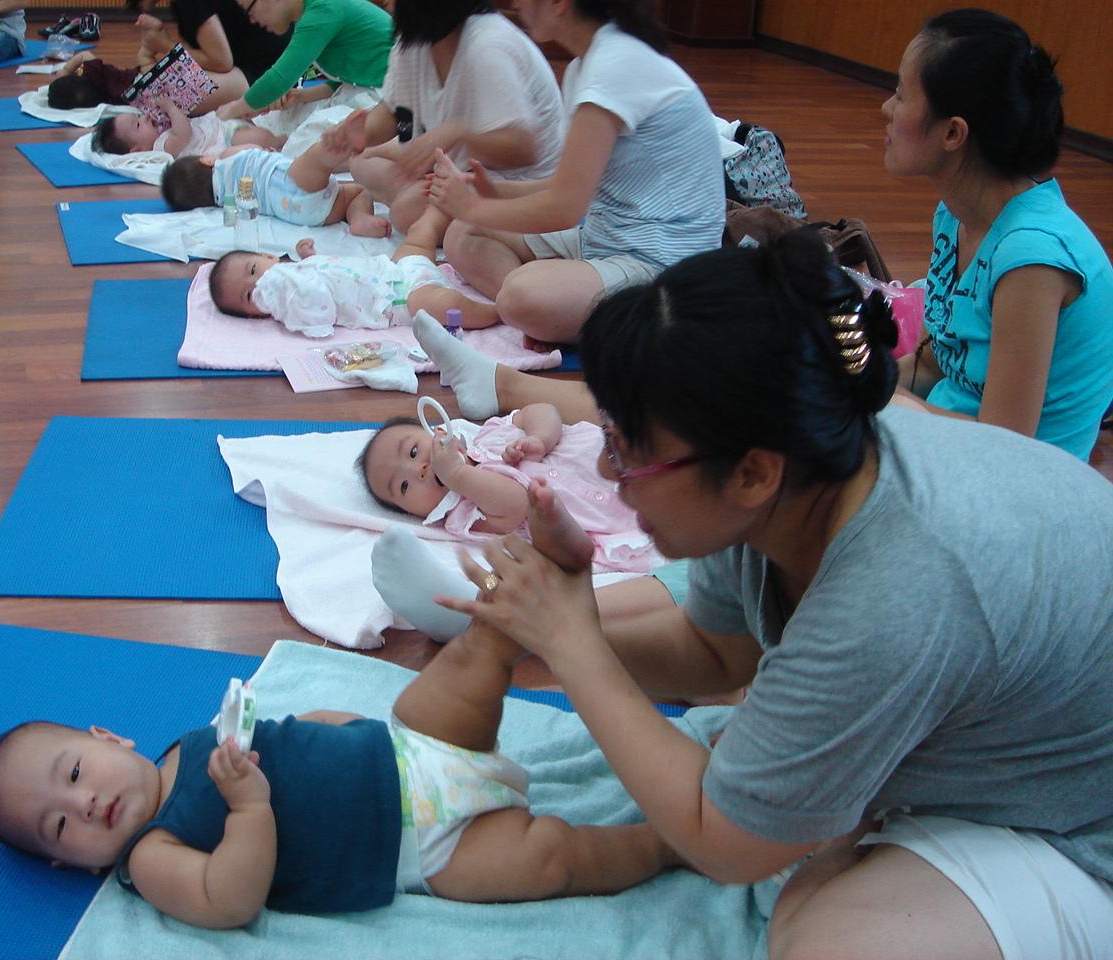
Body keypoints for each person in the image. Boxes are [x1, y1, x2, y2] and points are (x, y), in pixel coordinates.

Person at [426, 227, 1113, 959]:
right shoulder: (798, 461)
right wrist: (557, 623)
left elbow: (726, 846)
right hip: (1003, 740)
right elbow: (714, 654)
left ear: (752, 474)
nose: (603, 471)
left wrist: (571, 643)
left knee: (820, 937)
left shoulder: (894, 588)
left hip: (1081, 824)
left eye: (631, 453)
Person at [0, 627, 680, 928]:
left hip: (409, 754)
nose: (84, 801)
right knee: (553, 859)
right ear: (70, 864)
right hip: (422, 850)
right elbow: (229, 900)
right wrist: (249, 811)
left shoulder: (190, 744)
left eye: (72, 772)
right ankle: (669, 843)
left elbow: (281, 732)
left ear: (108, 737)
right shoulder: (153, 854)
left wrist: (326, 723)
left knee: (459, 673)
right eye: (59, 823)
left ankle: (504, 619)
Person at [426, 0, 724, 346]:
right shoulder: (586, 66)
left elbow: (565, 207)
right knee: (463, 234)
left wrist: (472, 205)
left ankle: (547, 310)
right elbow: (572, 184)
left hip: (665, 267)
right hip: (606, 239)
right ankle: (551, 313)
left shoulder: (616, 63)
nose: (516, 3)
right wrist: (493, 191)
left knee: (523, 293)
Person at [884, 10, 1113, 460]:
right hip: (953, 445)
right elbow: (933, 364)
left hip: (1019, 491)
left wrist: (880, 408)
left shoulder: (1032, 258)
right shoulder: (953, 216)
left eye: (900, 93)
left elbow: (1006, 446)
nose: (886, 109)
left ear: (953, 132)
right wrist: (851, 385)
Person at [332, 0, 563, 247]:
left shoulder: (488, 46)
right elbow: (394, 113)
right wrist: (354, 134)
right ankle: (420, 197)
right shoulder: (415, 40)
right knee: (360, 162)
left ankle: (427, 206)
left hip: (517, 183)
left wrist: (459, 133)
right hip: (455, 166)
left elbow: (523, 149)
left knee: (404, 213)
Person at [360, 400, 653, 568]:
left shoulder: (490, 433)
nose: (419, 470)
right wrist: (457, 477)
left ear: (436, 431)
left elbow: (541, 409)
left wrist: (540, 437)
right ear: (412, 514)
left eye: (413, 452)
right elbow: (517, 503)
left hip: (610, 453)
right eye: (403, 487)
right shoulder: (464, 516)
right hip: (613, 512)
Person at [161, 110, 389, 236]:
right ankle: (335, 145)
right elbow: (253, 151)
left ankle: (358, 219)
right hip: (287, 181)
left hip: (299, 214)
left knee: (356, 192)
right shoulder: (226, 158)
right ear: (207, 160)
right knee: (314, 159)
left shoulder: (227, 202)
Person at [209, 240, 498, 332]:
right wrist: (287, 289)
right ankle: (496, 313)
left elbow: (328, 270)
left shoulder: (295, 268)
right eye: (251, 295)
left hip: (394, 268)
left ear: (268, 257)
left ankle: (439, 210)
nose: (260, 284)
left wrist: (310, 257)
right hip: (400, 301)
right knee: (441, 307)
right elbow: (321, 309)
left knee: (416, 241)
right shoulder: (291, 308)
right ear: (254, 315)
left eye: (254, 270)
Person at [213, 0, 392, 122]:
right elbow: (350, 76)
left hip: (388, 94)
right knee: (284, 117)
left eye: (249, 10)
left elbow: (280, 78)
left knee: (313, 135)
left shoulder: (323, 10)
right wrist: (302, 95)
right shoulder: (313, 12)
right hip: (373, 86)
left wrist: (233, 109)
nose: (252, 20)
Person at [126, 0, 291, 107]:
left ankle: (146, 62)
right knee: (165, 86)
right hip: (268, 57)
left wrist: (163, 44)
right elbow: (202, 54)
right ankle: (147, 63)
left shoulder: (187, 4)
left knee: (154, 101)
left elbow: (221, 62)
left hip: (269, 69)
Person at [46, 50, 243, 117]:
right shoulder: (91, 74)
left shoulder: (95, 86)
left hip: (143, 87)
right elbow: (85, 55)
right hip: (142, 83)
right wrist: (64, 70)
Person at [92, 100, 285, 158]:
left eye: (139, 117)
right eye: (138, 124)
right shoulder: (161, 149)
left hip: (217, 125)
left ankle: (274, 127)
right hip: (222, 140)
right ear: (136, 149)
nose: (145, 118)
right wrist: (171, 108)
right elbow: (184, 134)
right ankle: (280, 142)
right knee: (254, 138)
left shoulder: (159, 132)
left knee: (242, 107)